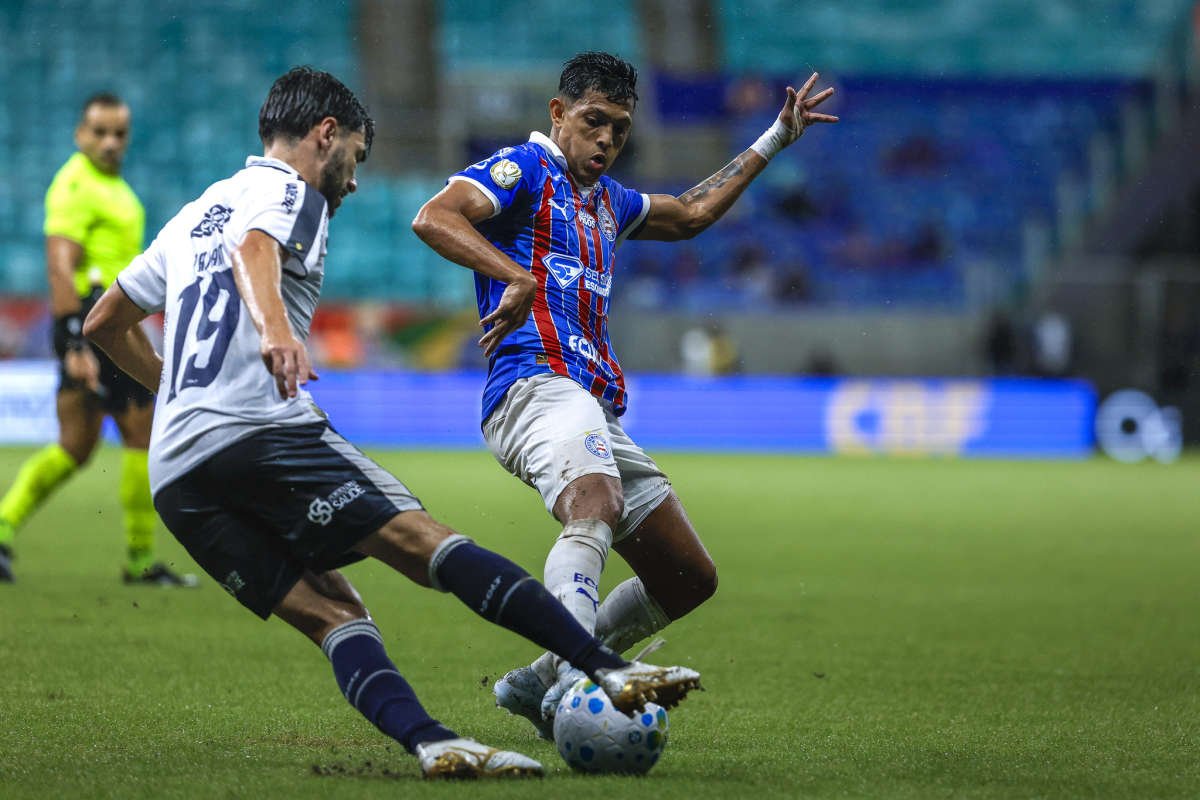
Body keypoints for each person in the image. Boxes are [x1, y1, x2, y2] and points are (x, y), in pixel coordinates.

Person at [82, 66, 700, 779]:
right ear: (326, 135)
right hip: (259, 429)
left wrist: (176, 396)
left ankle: (433, 743)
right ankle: (604, 667)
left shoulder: (195, 212)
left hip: (177, 472)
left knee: (334, 612)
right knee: (426, 543)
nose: (352, 182)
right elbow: (254, 249)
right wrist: (277, 332)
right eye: (355, 158)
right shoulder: (292, 192)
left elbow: (104, 323)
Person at [411, 51, 837, 737]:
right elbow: (434, 216)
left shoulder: (609, 201)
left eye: (620, 128)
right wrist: (512, 275)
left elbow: (691, 212)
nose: (607, 138)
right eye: (594, 120)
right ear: (558, 113)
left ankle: (539, 678)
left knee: (687, 575)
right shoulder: (524, 168)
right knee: (595, 502)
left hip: (590, 404)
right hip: (532, 384)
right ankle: (584, 674)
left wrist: (776, 136)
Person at [0, 93, 194, 585]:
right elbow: (60, 264)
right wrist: (74, 342)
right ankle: (139, 561)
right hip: (97, 323)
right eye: (99, 132)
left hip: (96, 323)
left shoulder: (116, 190)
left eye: (119, 133)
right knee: (141, 435)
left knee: (75, 445)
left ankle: (1, 530)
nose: (110, 142)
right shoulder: (76, 184)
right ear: (79, 134)